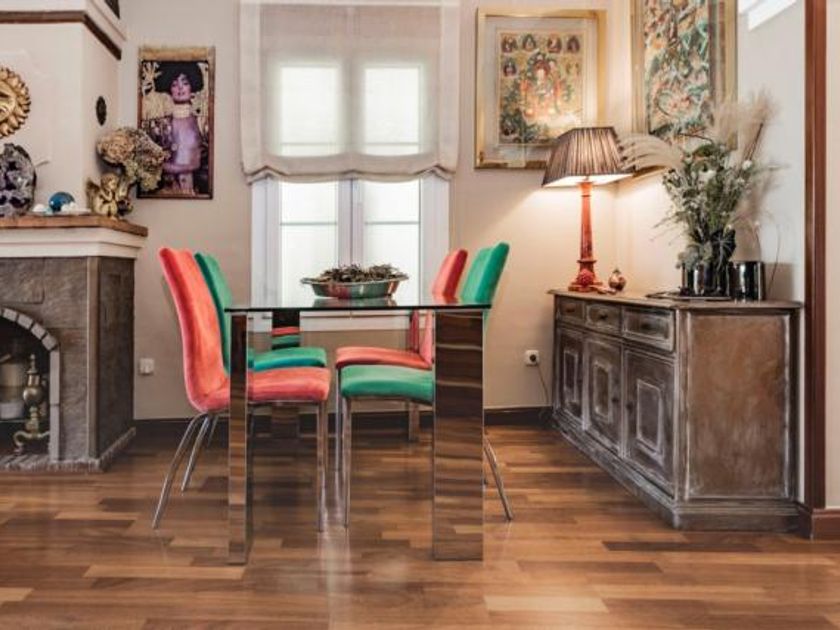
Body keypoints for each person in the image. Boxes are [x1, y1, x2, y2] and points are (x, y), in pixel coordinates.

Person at [152, 62, 204, 195]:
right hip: (166, 190)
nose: (180, 88)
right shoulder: (160, 124)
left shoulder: (201, 123)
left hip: (193, 190)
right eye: (174, 84)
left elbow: (199, 162)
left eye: (185, 83)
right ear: (169, 89)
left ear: (192, 86)